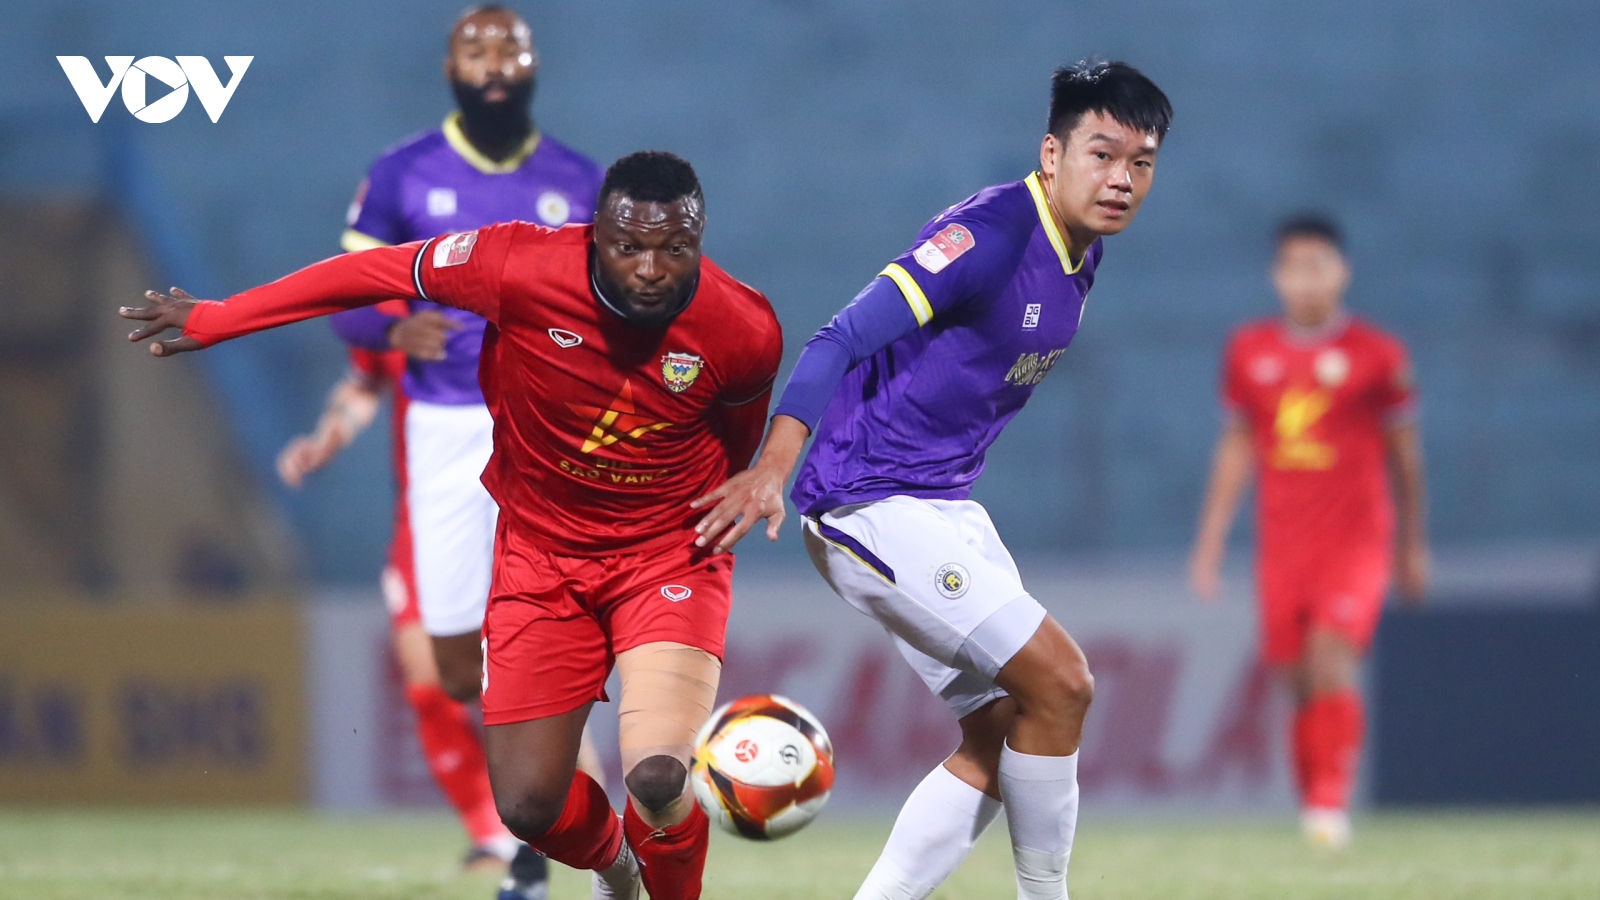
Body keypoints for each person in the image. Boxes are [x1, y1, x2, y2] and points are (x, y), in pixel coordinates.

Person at [121, 151, 782, 900]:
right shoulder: (518, 264)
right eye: (630, 247)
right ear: (594, 234)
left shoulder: (743, 327)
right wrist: (223, 317)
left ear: (700, 237)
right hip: (542, 557)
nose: (653, 269)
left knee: (658, 776)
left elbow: (734, 449)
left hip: (667, 556)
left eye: (675, 248)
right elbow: (375, 272)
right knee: (529, 806)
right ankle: (617, 869)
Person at [693, 60, 1172, 900]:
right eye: (1102, 155)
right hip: (866, 502)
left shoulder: (1081, 250)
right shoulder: (989, 236)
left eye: (1142, 162)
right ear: (1052, 154)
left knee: (1003, 727)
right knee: (1063, 683)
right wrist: (774, 466)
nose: (1121, 180)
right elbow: (838, 338)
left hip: (941, 503)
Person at [276, 340, 608, 876]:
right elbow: (363, 382)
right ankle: (491, 835)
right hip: (430, 516)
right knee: (431, 678)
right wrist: (326, 438)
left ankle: (589, 827)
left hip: (520, 505)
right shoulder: (394, 308)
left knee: (537, 677)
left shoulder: (507, 306)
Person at [1188, 216, 1429, 848]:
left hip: (1356, 539)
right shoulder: (1249, 352)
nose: (1307, 280)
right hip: (1283, 543)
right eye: (1295, 268)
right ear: (1277, 276)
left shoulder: (1378, 355)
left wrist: (1412, 544)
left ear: (1342, 272)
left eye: (1319, 266)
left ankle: (1329, 804)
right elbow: (1236, 448)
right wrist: (1211, 543)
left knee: (1330, 657)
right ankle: (1313, 808)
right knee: (1295, 678)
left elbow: (1406, 458)